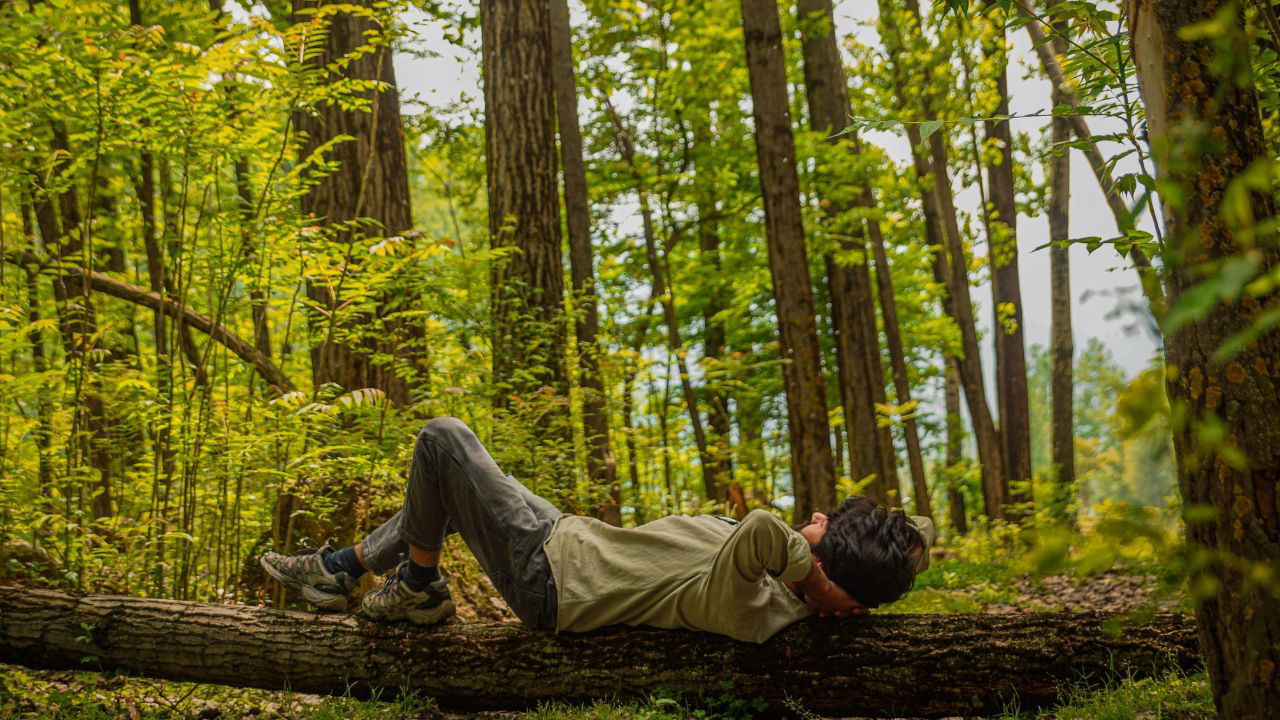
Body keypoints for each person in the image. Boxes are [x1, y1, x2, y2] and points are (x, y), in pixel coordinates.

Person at [260, 417, 934, 643]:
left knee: (442, 441)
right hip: (567, 539)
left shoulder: (756, 606)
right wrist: (876, 542)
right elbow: (911, 537)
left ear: (821, 576)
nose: (809, 523)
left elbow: (762, 529)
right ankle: (343, 568)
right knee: (442, 492)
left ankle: (419, 589)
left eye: (815, 540)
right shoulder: (787, 581)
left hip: (550, 577)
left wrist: (812, 555)